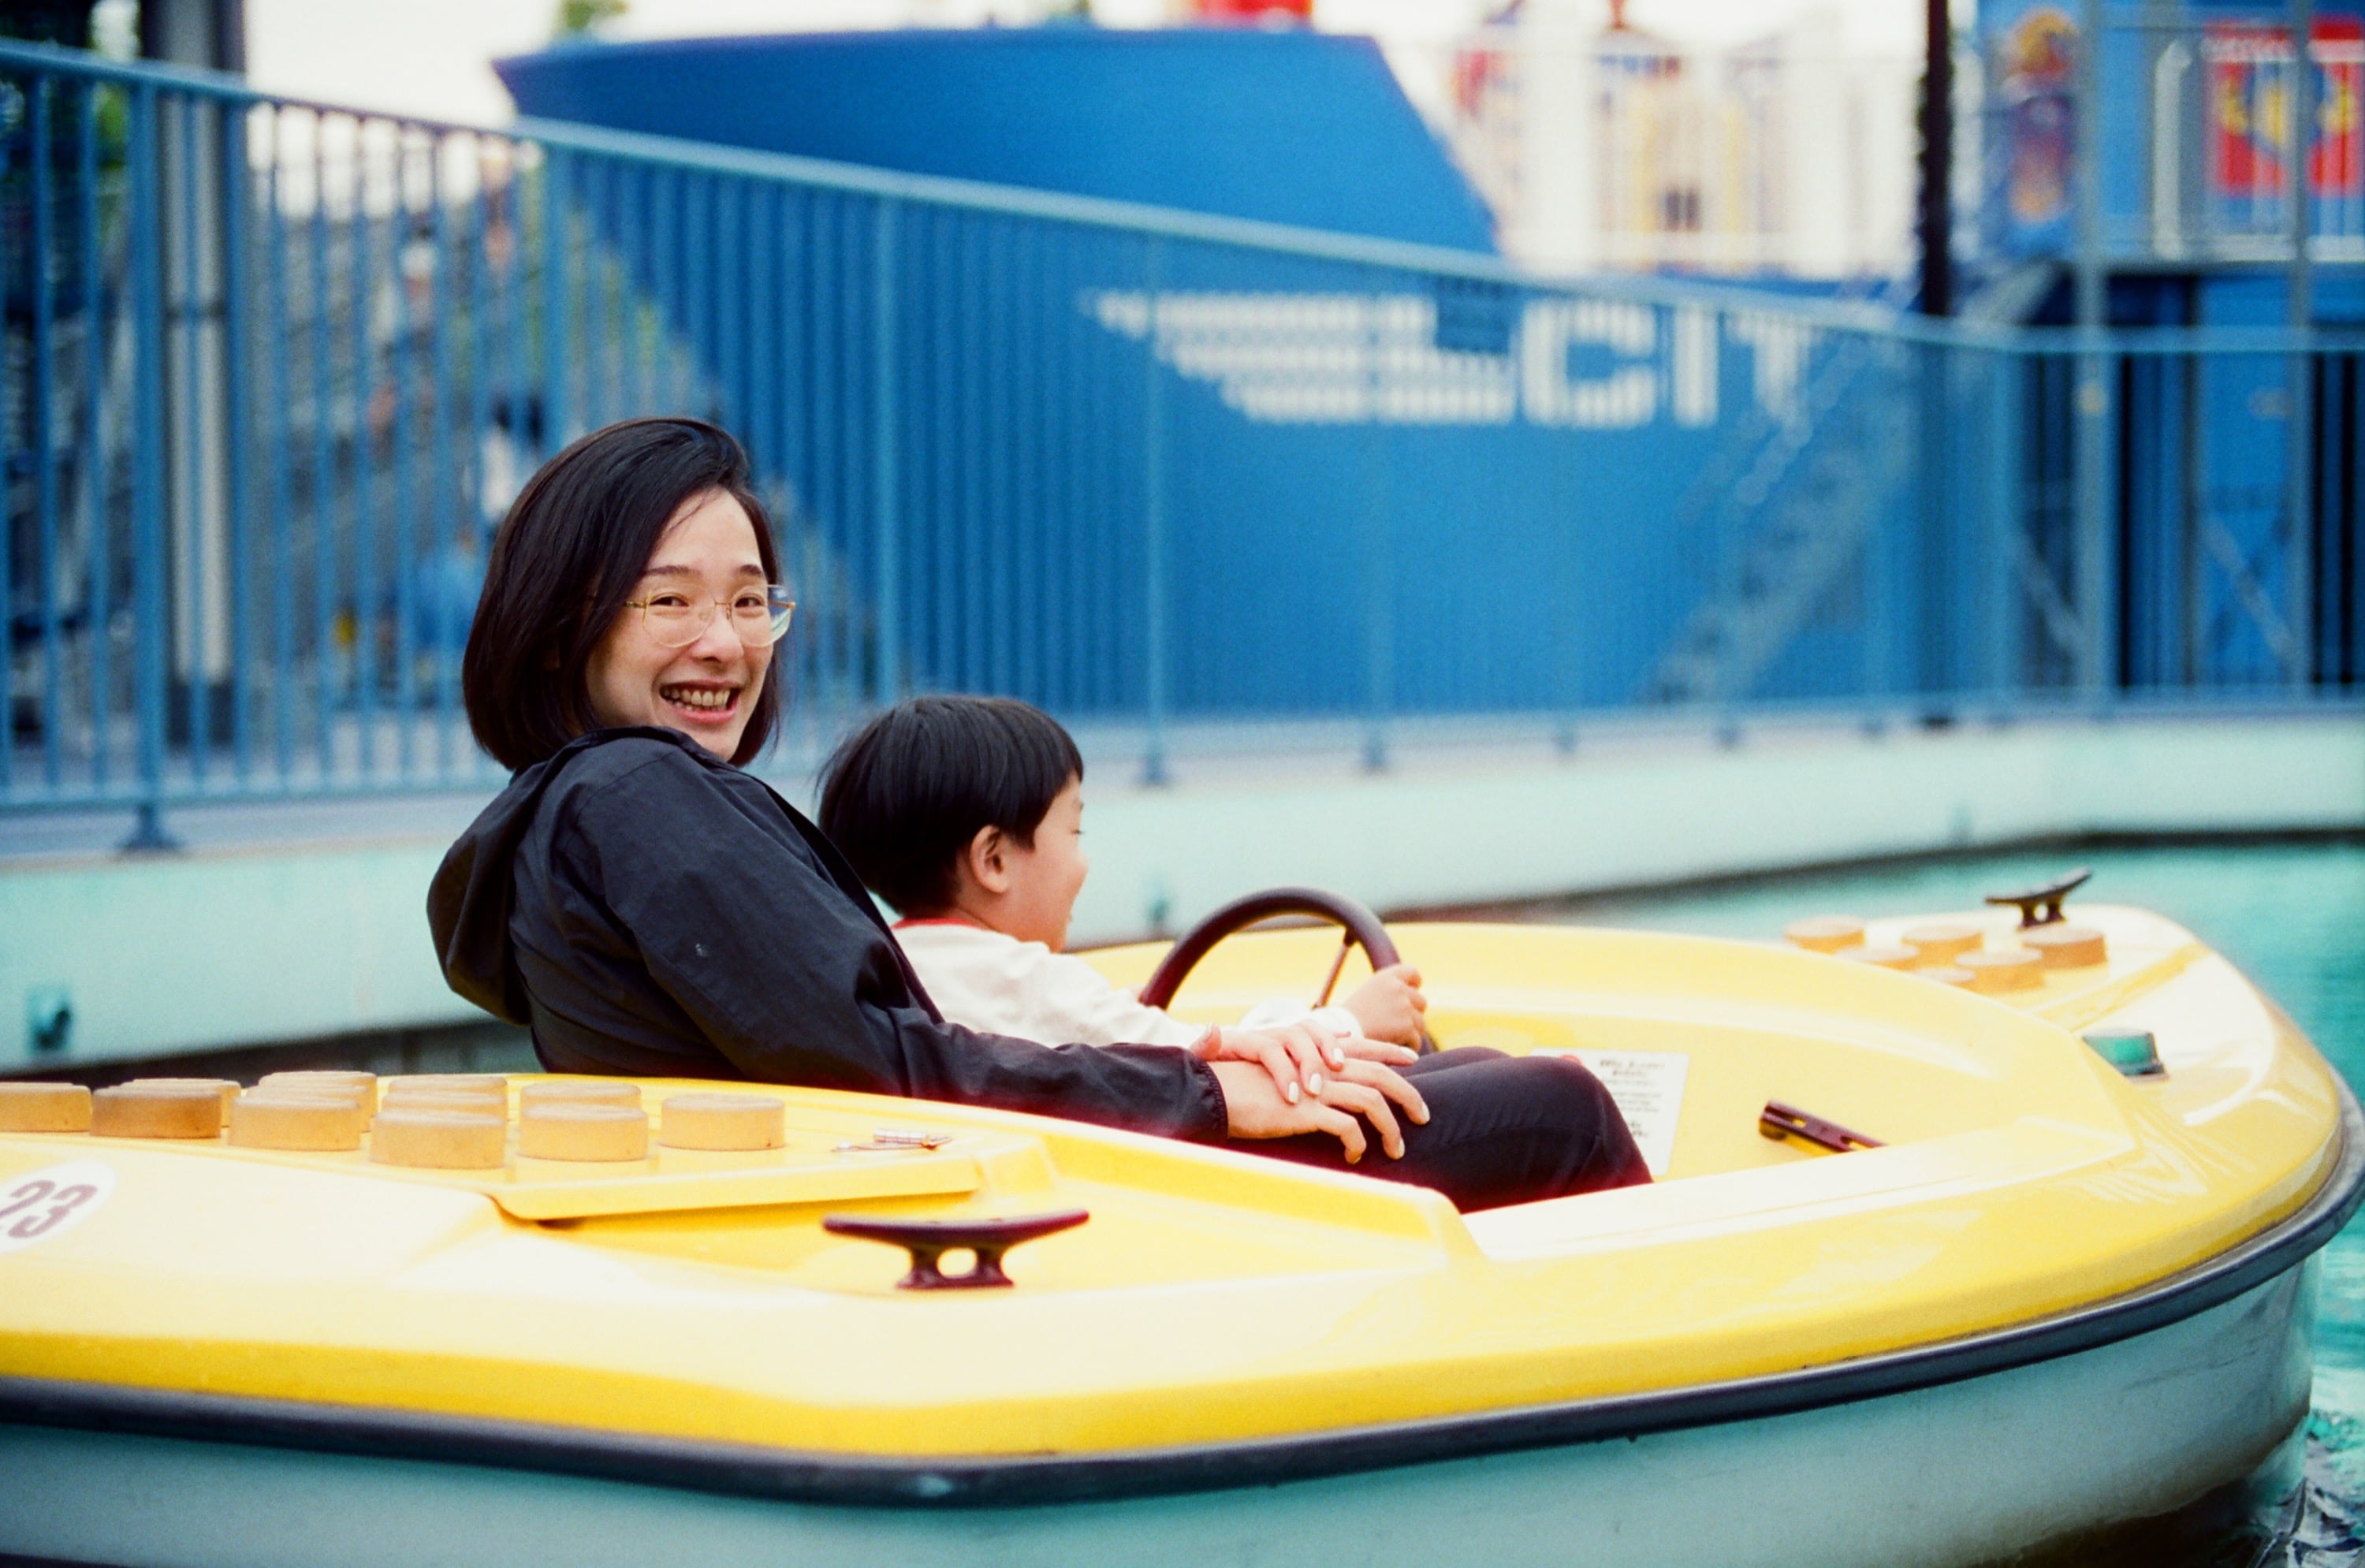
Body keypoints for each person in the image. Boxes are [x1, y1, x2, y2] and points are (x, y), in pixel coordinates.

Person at [427, 416, 1649, 1212]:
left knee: (1462, 1075)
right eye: (669, 601)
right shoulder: (639, 794)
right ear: (564, 620)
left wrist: (1207, 1057)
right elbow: (889, 1071)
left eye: (752, 602)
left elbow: (866, 1048)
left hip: (892, 1189)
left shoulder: (576, 813)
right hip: (990, 1205)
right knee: (1558, 1103)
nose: (724, 642)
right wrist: (1214, 1095)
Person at [815, 695, 1430, 1053]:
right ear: (994, 860)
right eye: (1074, 832)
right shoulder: (1029, 980)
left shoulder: (882, 970)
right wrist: (1352, 1020)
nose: (1083, 863)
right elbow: (1215, 1071)